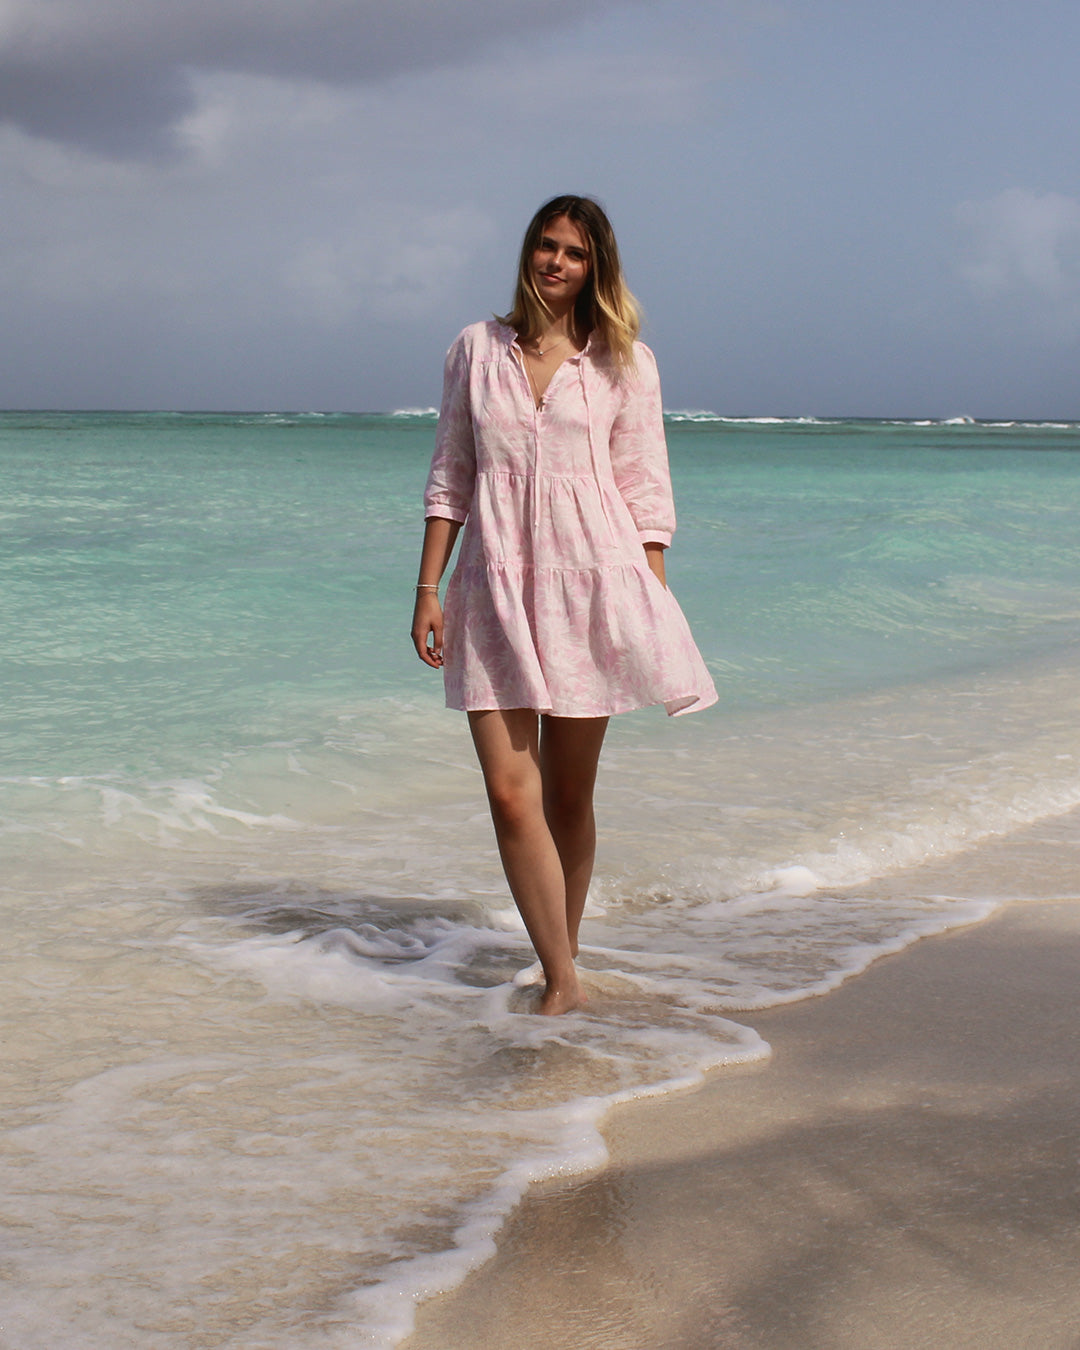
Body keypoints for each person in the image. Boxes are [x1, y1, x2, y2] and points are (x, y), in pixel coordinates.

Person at [411, 194, 716, 1015]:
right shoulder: (474, 351)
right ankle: (561, 979)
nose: (555, 262)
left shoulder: (626, 362)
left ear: (596, 268)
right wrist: (427, 587)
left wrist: (650, 604)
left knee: (569, 797)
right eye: (545, 246)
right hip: (494, 588)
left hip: (593, 589)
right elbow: (452, 474)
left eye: (574, 253)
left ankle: (564, 950)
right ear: (527, 252)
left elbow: (646, 491)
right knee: (513, 793)